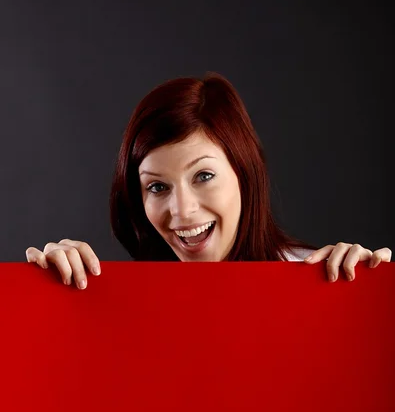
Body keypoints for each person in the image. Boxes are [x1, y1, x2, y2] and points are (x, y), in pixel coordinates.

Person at [25, 72, 392, 289]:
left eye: (203, 176)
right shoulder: (126, 302)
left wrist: (366, 295)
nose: (182, 211)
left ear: (244, 175)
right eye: (157, 186)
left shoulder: (322, 282)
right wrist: (51, 296)